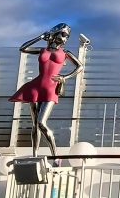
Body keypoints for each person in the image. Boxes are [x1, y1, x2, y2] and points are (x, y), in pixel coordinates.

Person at [9, 23, 83, 159]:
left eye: (67, 36)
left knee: (41, 122)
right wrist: (40, 37)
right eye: (64, 34)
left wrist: (64, 77)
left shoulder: (65, 53)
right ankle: (34, 155)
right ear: (56, 33)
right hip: (35, 87)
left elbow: (80, 66)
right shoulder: (43, 50)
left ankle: (55, 155)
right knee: (35, 124)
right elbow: (23, 48)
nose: (65, 39)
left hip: (51, 88)